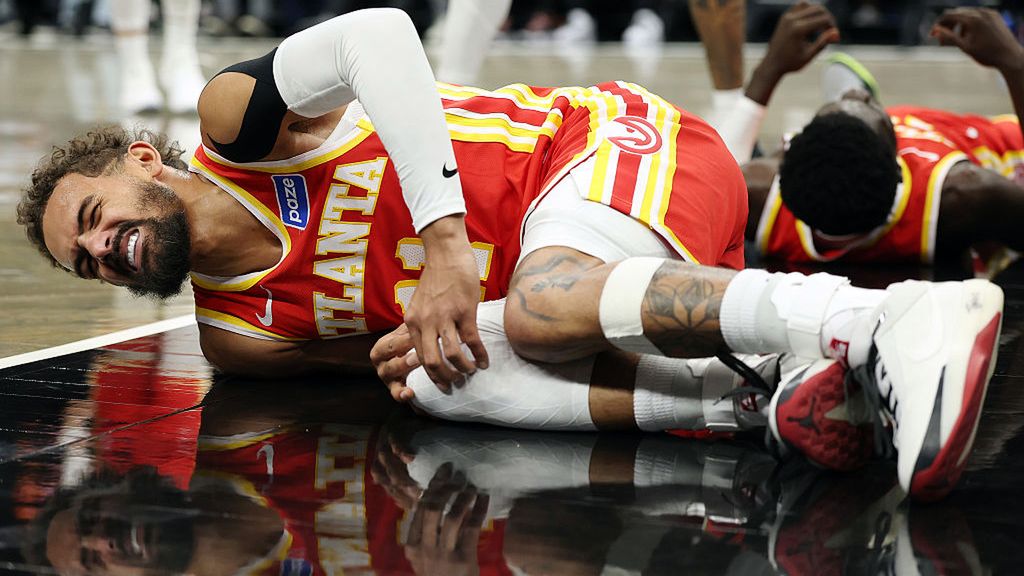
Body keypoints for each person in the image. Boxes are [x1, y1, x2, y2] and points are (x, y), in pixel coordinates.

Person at [17, 6, 1003, 501]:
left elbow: (381, 33)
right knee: (429, 379)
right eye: (89, 259)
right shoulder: (237, 336)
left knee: (535, 299)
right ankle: (774, 397)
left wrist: (444, 239)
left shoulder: (236, 122)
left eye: (98, 217)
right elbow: (423, 364)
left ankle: (876, 321)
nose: (107, 250)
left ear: (143, 160)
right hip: (598, 286)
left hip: (598, 147)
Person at [726, 6, 1024, 266]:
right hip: (998, 144)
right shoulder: (965, 194)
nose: (854, 94)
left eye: (841, 105)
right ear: (898, 167)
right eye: (866, 104)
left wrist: (769, 69)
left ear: (785, 161)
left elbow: (711, 183)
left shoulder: (763, 195)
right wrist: (1013, 62)